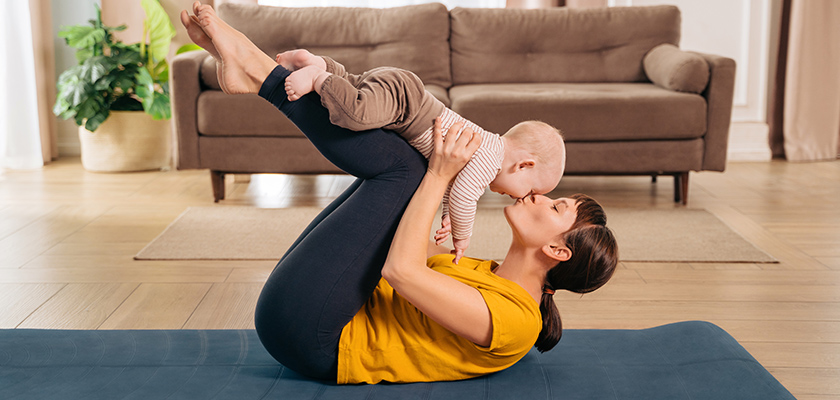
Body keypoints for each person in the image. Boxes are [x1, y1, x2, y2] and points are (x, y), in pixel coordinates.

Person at [180, 2, 618, 385]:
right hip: (320, 308)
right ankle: (267, 70)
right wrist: (438, 179)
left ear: (558, 251)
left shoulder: (517, 322)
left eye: (556, 205)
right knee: (410, 167)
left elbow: (401, 272)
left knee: (412, 172)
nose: (538, 198)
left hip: (316, 337)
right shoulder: (487, 271)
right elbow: (399, 229)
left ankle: (265, 76)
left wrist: (440, 177)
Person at [277, 50, 566, 263]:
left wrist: (449, 217)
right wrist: (462, 237)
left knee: (356, 89)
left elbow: (452, 183)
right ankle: (318, 77)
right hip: (407, 104)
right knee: (354, 114)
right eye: (528, 191)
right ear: (524, 165)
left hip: (404, 94)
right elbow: (465, 196)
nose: (522, 199)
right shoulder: (491, 159)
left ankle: (321, 65)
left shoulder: (486, 150)